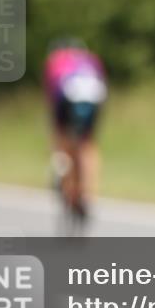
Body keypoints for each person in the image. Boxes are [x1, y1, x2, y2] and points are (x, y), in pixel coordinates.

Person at [44, 38, 107, 230]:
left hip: (66, 95)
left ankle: (62, 171)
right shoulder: (91, 60)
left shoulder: (55, 60)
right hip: (95, 95)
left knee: (62, 141)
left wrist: (56, 136)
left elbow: (50, 99)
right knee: (87, 144)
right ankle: (87, 193)